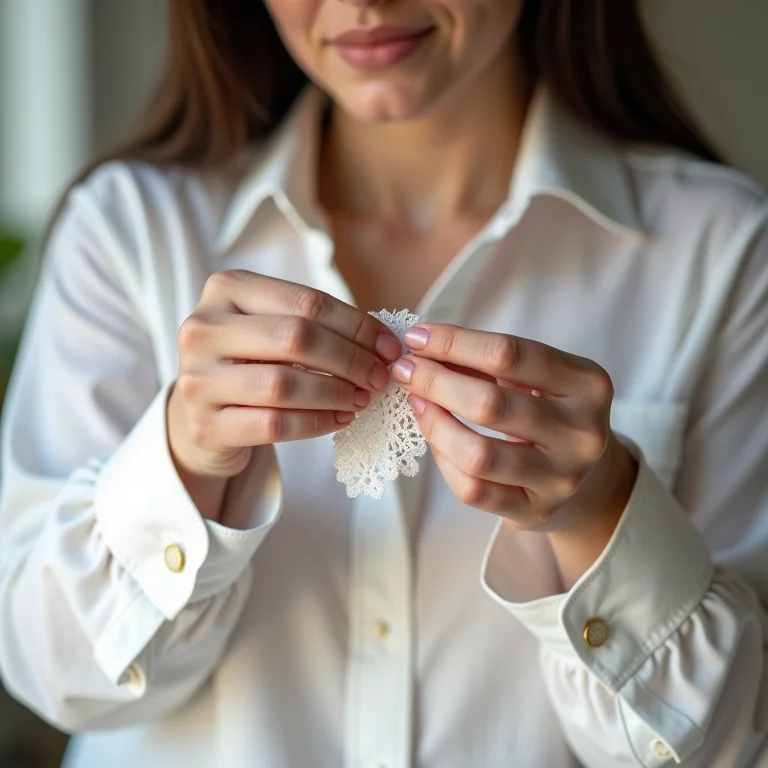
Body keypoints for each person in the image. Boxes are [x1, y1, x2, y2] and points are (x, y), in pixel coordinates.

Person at [1, 0, 767, 765]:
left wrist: (600, 515)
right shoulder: (128, 231)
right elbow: (52, 672)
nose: (363, 4)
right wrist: (181, 459)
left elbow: (737, 743)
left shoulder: (721, 253)